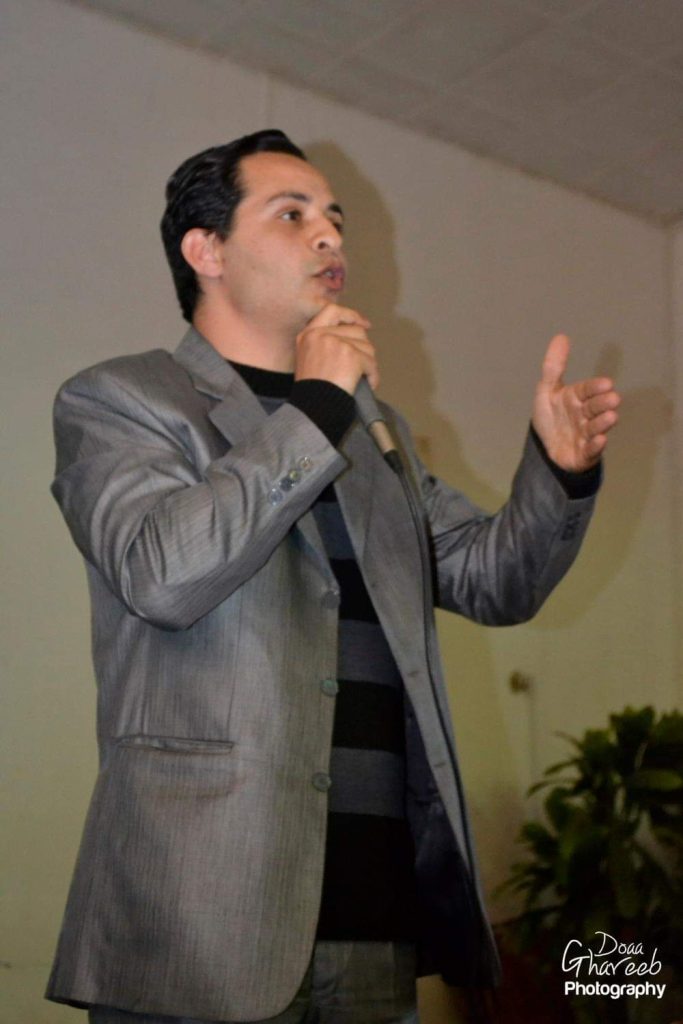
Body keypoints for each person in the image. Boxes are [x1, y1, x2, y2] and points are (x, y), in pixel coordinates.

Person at [46, 129, 620, 1024]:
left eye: (336, 220)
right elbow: (161, 574)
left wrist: (559, 472)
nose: (329, 236)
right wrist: (315, 406)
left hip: (372, 921)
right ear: (206, 252)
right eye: (292, 215)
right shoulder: (122, 399)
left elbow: (493, 580)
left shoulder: (370, 430)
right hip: (197, 920)